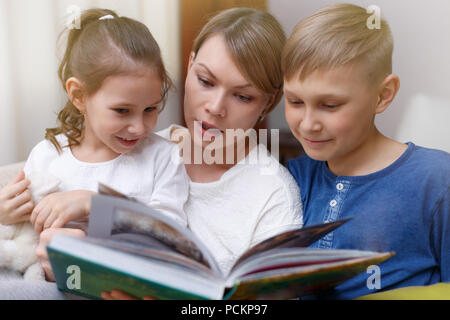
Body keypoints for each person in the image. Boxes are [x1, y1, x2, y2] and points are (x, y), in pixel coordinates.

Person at [0, 8, 189, 284]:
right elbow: (22, 237)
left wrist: (94, 203)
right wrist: (5, 216)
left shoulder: (163, 156)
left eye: (150, 108)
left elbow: (172, 236)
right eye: (122, 111)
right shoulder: (47, 156)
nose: (139, 127)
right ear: (78, 95)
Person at [282, 3, 449, 299]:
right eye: (295, 102)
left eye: (330, 105)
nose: (307, 124)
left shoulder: (437, 181)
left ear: (383, 96)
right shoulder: (291, 179)